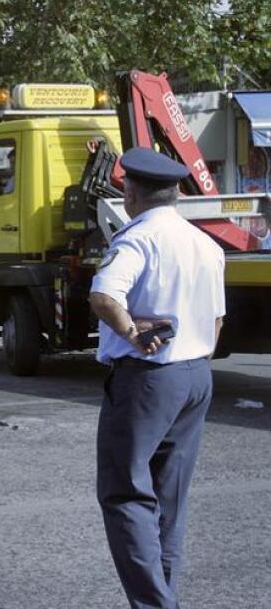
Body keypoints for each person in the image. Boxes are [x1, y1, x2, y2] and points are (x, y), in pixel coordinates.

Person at [89, 147, 225, 609]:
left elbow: (104, 296)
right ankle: (163, 595)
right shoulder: (205, 243)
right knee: (169, 498)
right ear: (177, 193)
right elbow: (217, 321)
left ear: (130, 191)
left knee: (125, 493)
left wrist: (130, 331)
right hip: (196, 374)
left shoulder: (136, 238)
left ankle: (154, 605)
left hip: (148, 378)